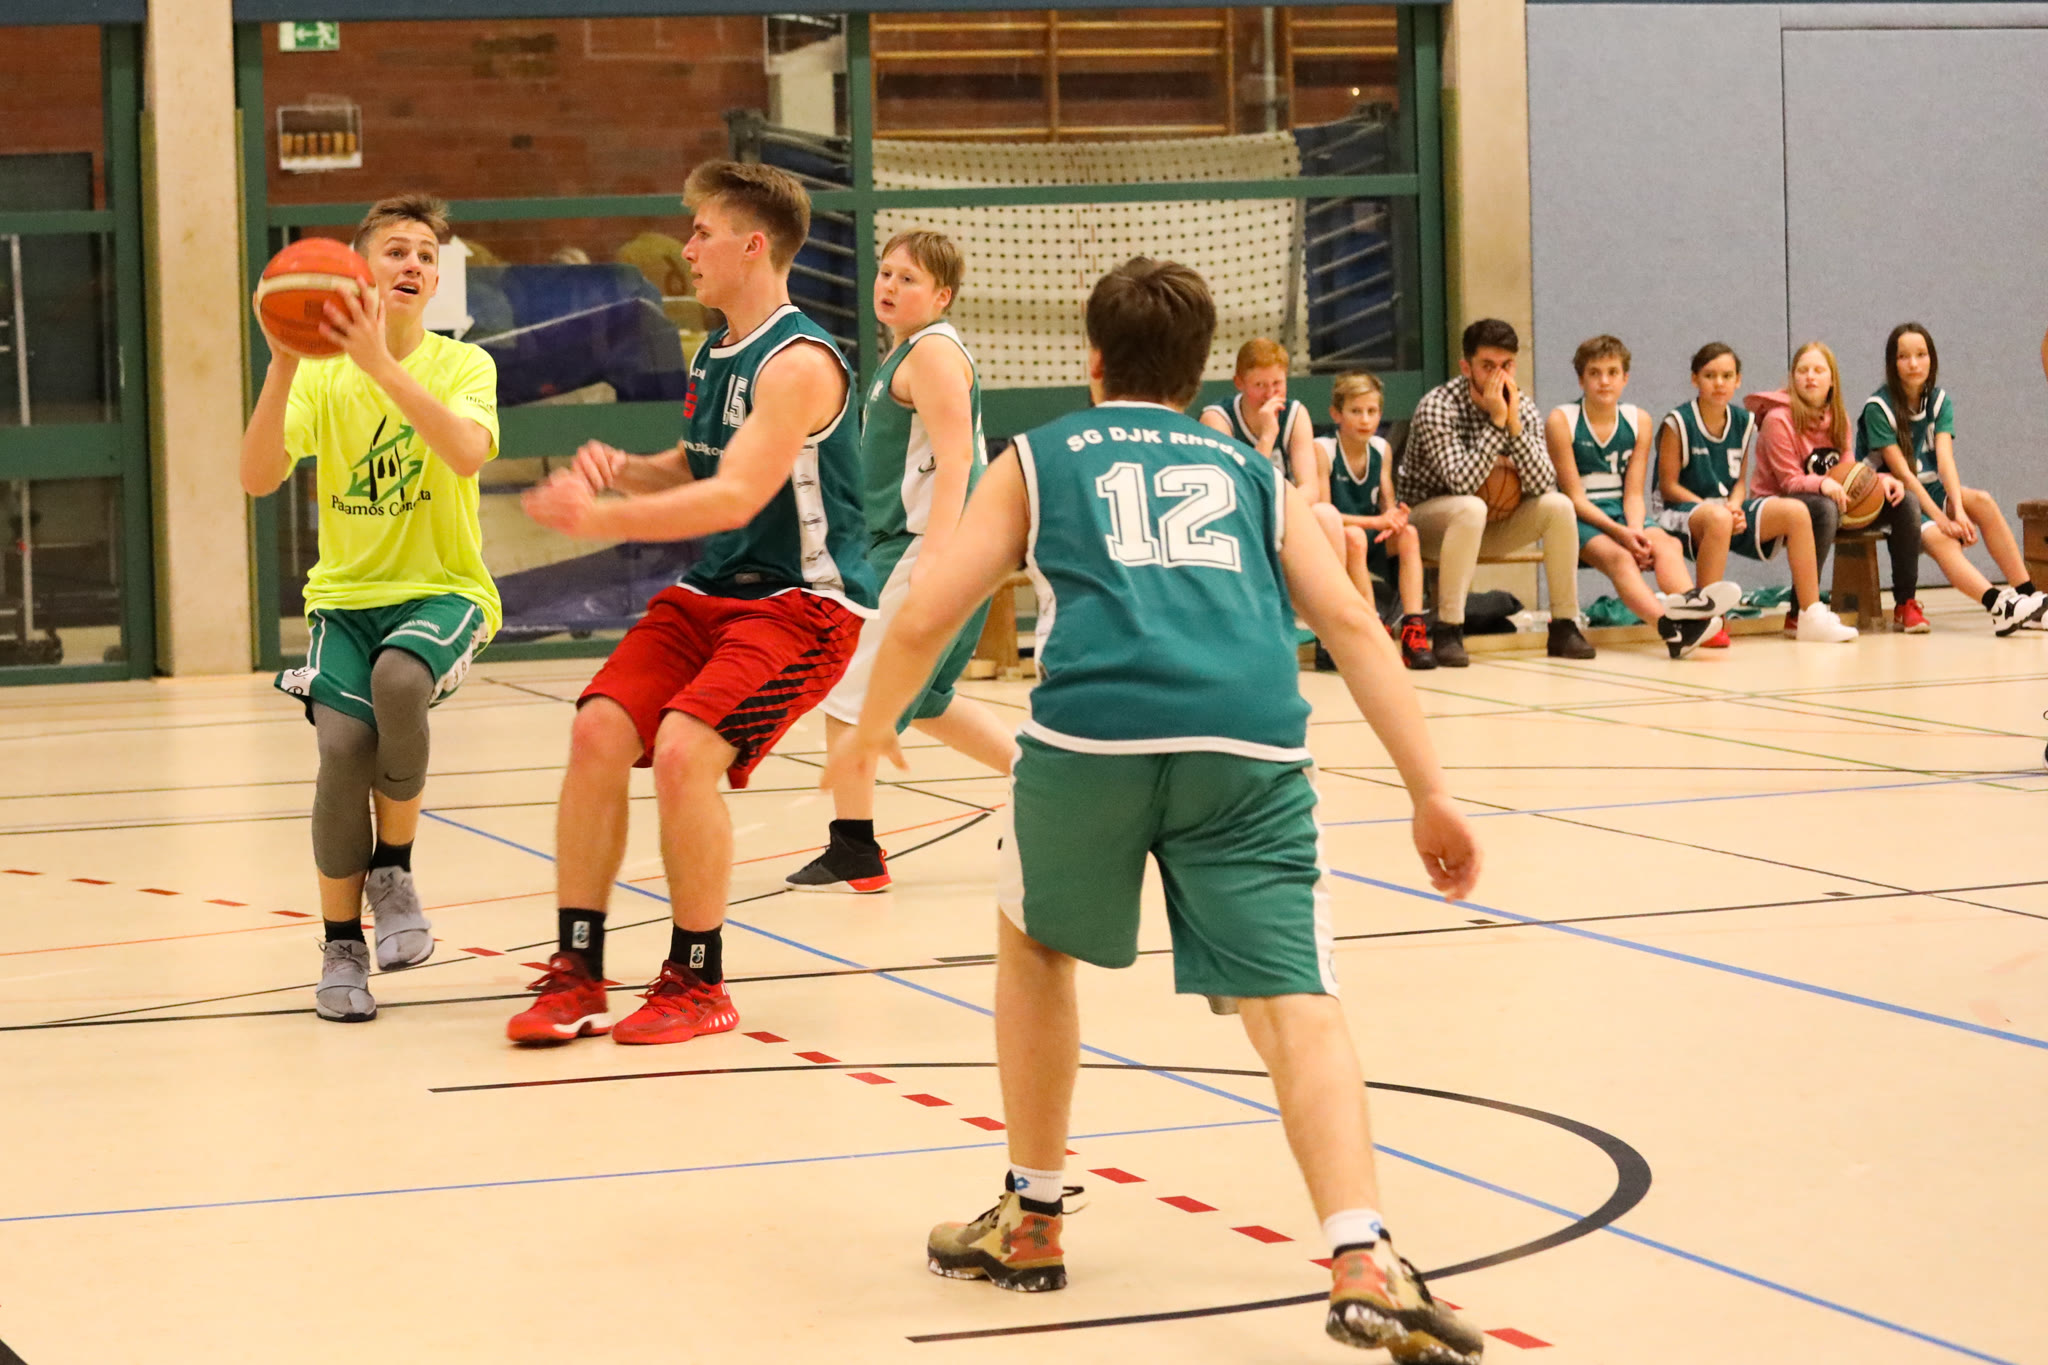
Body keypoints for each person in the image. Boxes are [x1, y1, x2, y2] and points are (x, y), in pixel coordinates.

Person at [826, 258, 1485, 1362]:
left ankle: (1033, 1217)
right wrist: (1431, 791)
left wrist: (873, 724)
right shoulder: (1251, 469)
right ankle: (1360, 1248)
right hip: (1248, 742)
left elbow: (931, 605)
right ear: (1196, 373)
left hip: (1093, 736)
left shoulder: (1037, 456)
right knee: (1295, 998)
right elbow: (1353, 625)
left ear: (1092, 361)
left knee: (1035, 946)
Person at [507, 161, 877, 1046]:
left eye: (703, 232)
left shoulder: (798, 364)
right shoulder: (716, 350)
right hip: (714, 591)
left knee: (682, 752)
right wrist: (624, 469)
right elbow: (700, 463)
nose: (688, 248)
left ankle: (698, 980)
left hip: (803, 604)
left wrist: (599, 517)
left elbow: (736, 496)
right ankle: (579, 970)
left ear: (754, 246)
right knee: (597, 730)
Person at [239, 193, 501, 1024]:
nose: (413, 263)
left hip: (444, 589)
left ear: (436, 281)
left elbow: (465, 451)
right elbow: (255, 476)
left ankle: (394, 866)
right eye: (396, 250)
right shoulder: (318, 377)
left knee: (399, 678)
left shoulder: (465, 366)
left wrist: (382, 364)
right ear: (357, 272)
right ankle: (341, 946)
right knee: (343, 751)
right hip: (345, 602)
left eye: (426, 254)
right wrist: (283, 363)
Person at [786, 230, 1018, 892]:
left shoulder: (935, 353)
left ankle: (855, 847)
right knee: (933, 699)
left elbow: (958, 459)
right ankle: (1050, 783)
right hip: (924, 544)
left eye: (908, 278)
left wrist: (935, 556)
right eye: (886, 272)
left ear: (943, 295)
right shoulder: (910, 353)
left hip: (922, 546)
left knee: (847, 693)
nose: (889, 285)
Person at [1400, 318, 1592, 666]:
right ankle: (1448, 630)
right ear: (1466, 367)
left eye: (1506, 365)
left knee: (1558, 506)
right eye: (1487, 366)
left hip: (1486, 524)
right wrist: (1496, 422)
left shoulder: (1522, 405)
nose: (1498, 376)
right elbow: (1461, 483)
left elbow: (1543, 483)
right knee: (1470, 506)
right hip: (1425, 527)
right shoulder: (1438, 406)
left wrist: (1513, 424)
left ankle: (1565, 625)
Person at [1543, 335, 1736, 659]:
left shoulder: (1639, 420)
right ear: (1581, 380)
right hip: (1581, 518)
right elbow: (1574, 498)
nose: (1605, 381)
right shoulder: (1562, 420)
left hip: (1623, 513)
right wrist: (1623, 536)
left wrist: (1636, 532)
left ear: (1625, 378)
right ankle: (1672, 630)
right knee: (1621, 559)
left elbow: (1634, 493)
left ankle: (1694, 614)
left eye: (1612, 372)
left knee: (1668, 545)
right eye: (1595, 373)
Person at [1654, 343, 1856, 644]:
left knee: (1797, 512)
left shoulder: (1744, 421)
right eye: (1710, 375)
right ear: (1695, 379)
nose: (1719, 383)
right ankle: (1706, 619)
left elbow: (1739, 481)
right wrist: (1721, 511)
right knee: (1719, 520)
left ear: (1738, 380)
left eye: (1727, 376)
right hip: (1679, 511)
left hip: (1727, 509)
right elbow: (1668, 487)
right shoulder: (1678, 422)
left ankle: (1809, 615)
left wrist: (1735, 506)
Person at [1858, 323, 2048, 635]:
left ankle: (2029, 597)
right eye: (1904, 357)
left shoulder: (1938, 400)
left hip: (1929, 488)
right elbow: (1903, 474)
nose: (1914, 363)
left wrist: (1958, 511)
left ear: (1931, 359)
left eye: (1921, 355)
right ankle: (1998, 605)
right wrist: (1941, 519)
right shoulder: (1878, 408)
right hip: (1893, 500)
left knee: (1982, 501)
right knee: (1941, 537)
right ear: (1892, 363)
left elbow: (1946, 462)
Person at [1746, 342, 1915, 630]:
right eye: (1803, 371)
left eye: (1818, 370)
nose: (1810, 377)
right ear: (1793, 378)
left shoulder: (1838, 417)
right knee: (1825, 509)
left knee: (1905, 501)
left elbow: (1848, 470)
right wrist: (1824, 484)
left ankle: (1905, 605)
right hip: (1777, 504)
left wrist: (1881, 481)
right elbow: (1788, 481)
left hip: (1830, 502)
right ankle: (1801, 612)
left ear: (1832, 380)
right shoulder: (1778, 420)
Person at [1313, 371, 1434, 669]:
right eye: (1356, 411)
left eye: (1372, 411)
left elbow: (1387, 505)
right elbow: (1324, 515)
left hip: (1370, 536)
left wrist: (1395, 518)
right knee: (1354, 538)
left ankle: (1413, 630)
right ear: (1336, 414)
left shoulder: (1381, 449)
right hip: (1336, 540)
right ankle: (1373, 628)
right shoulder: (1323, 450)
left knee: (1409, 535)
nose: (1365, 419)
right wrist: (1376, 523)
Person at [1199, 337, 1322, 498]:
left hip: (1284, 505)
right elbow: (1234, 492)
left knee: (1324, 511)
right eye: (1260, 385)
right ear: (1239, 383)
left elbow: (1310, 489)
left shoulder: (1295, 413)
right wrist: (1267, 436)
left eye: (1277, 383)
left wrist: (1279, 510)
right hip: (1241, 507)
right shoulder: (1217, 419)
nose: (1270, 394)